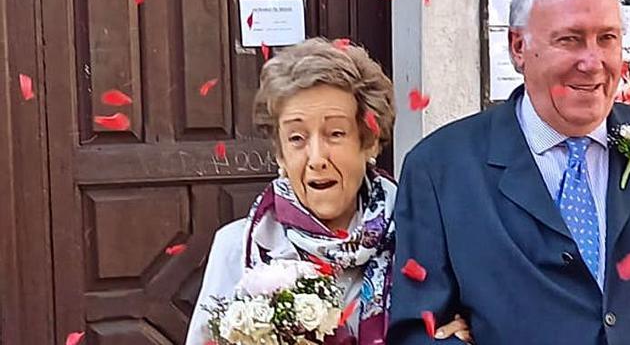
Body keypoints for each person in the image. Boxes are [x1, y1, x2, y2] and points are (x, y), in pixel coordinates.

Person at [388, 0, 630, 344]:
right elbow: (418, 331)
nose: (593, 62)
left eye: (607, 38)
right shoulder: (441, 169)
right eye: (570, 39)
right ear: (518, 47)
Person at [186, 38, 471, 345]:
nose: (317, 158)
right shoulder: (238, 246)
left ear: (369, 141)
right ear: (280, 154)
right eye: (296, 138)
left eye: (335, 133)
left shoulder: (420, 238)